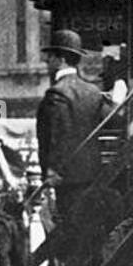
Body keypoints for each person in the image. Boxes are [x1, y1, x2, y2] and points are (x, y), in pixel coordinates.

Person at [36, 29, 110, 233]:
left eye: (49, 57)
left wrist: (51, 171)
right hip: (92, 175)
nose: (46, 62)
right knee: (88, 231)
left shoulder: (56, 94)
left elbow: (55, 137)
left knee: (70, 234)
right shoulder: (93, 92)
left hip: (65, 180)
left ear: (60, 59)